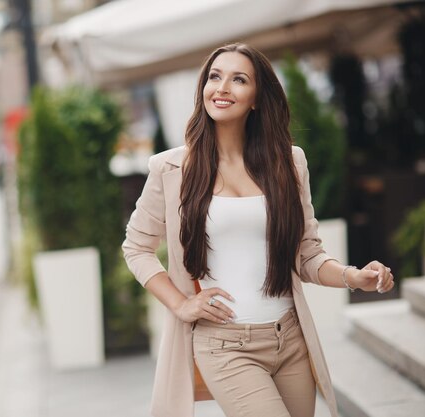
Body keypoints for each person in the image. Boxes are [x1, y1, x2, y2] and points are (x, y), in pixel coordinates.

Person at [122, 43, 394, 417]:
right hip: (225, 345)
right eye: (215, 77)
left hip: (291, 339)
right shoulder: (171, 169)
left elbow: (308, 254)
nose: (222, 88)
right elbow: (136, 247)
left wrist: (354, 277)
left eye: (239, 79)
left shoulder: (289, 163)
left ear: (257, 98)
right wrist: (181, 304)